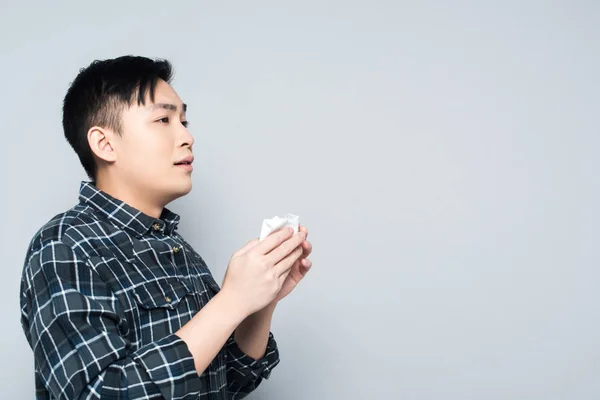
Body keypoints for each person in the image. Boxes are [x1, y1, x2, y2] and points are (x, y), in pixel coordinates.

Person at [19, 55, 313, 400]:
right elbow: (101, 393)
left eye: (184, 120)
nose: (187, 136)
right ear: (104, 143)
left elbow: (229, 382)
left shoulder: (178, 250)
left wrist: (261, 300)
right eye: (163, 119)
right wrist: (233, 300)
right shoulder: (63, 247)